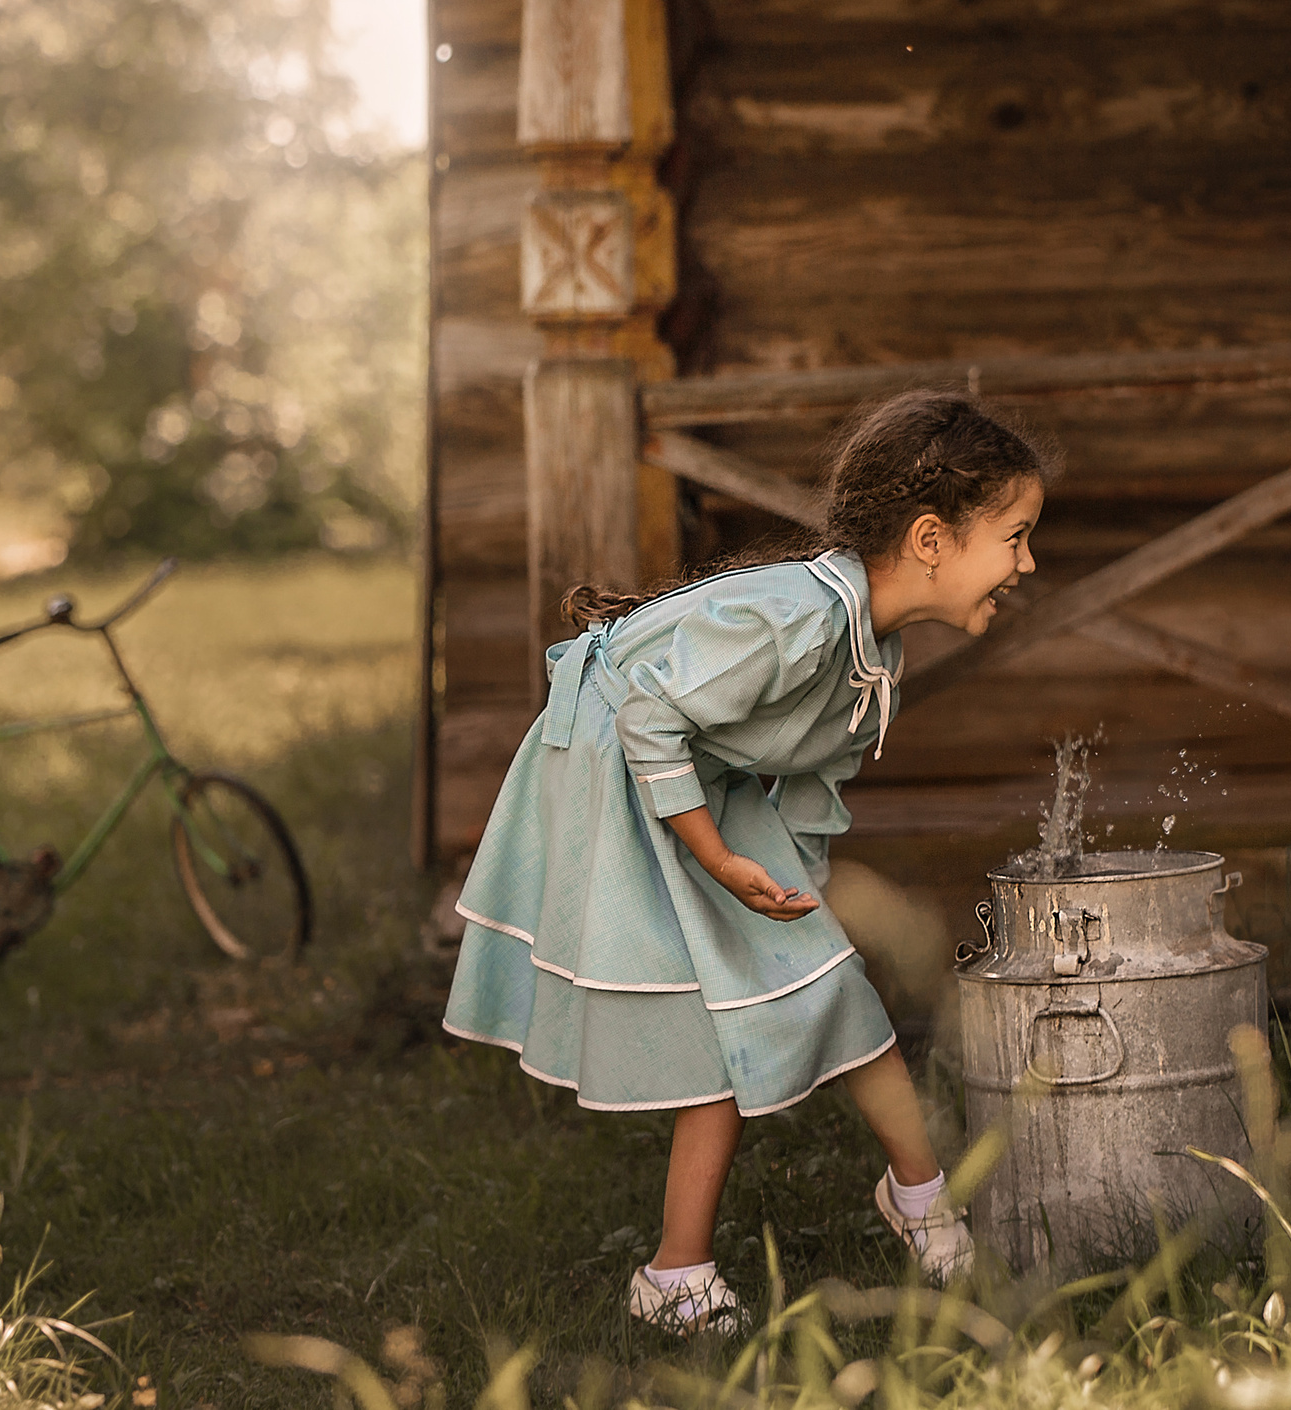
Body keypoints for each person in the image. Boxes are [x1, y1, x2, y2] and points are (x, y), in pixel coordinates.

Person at [442, 390, 1052, 1335]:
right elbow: (649, 716)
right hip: (621, 776)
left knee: (831, 982)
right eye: (1014, 537)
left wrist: (791, 907)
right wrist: (721, 861)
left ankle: (923, 1204)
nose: (1027, 561)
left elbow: (808, 785)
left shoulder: (868, 648)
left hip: (693, 785)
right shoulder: (800, 621)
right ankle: (673, 1279)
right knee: (710, 1037)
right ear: (932, 540)